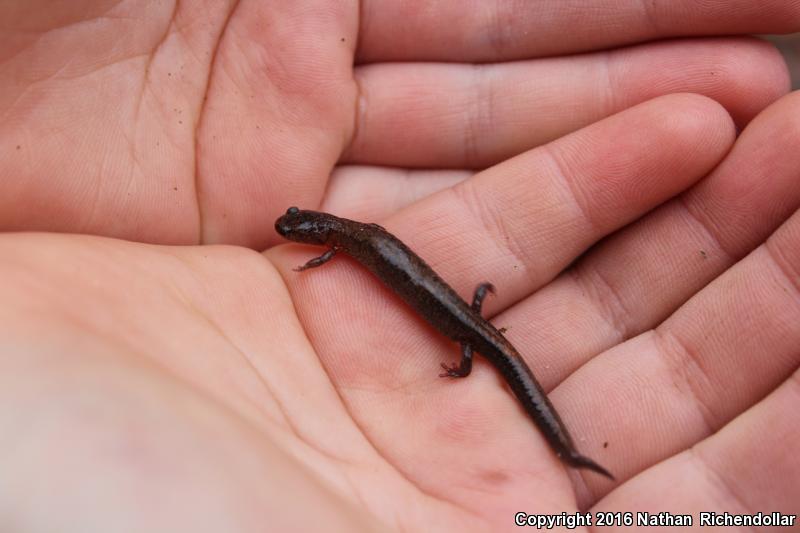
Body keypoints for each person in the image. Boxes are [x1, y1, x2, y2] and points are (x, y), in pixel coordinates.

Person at [1, 2, 798, 531]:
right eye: (299, 233)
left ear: (317, 229)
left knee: (485, 348)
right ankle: (562, 442)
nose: (296, 234)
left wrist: (464, 350)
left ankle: (564, 444)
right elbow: (333, 249)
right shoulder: (341, 238)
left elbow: (341, 256)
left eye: (300, 231)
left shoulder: (341, 241)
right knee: (479, 335)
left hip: (465, 324)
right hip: (459, 313)